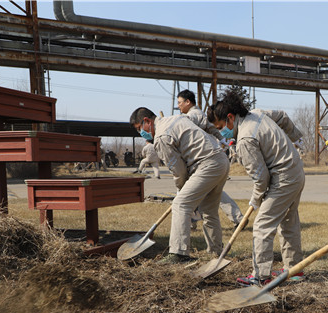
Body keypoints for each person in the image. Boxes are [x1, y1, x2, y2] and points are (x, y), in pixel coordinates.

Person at [208, 88, 305, 286]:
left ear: (230, 118)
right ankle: (294, 269)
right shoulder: (258, 114)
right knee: (288, 221)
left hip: (284, 177)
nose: (222, 132)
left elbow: (261, 178)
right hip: (296, 171)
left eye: (220, 126)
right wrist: (296, 137)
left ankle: (260, 276)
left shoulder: (245, 139)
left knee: (262, 225)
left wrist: (255, 200)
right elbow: (284, 117)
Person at [129, 107, 230, 264]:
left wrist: (181, 189)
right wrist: (219, 137)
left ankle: (179, 253)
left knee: (180, 204)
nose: (141, 133)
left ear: (147, 121)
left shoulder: (161, 137)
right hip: (221, 160)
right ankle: (216, 252)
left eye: (139, 128)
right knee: (209, 210)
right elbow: (205, 124)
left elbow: (179, 171)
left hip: (207, 164)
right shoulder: (177, 118)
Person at [177, 89, 243, 227]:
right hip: (207, 159)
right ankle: (237, 218)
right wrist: (222, 139)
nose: (178, 106)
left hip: (199, 159)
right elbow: (212, 128)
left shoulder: (192, 115)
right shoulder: (199, 114)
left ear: (188, 102)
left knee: (186, 194)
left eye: (180, 102)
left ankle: (190, 222)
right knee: (213, 192)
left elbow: (184, 127)